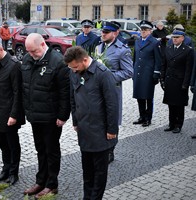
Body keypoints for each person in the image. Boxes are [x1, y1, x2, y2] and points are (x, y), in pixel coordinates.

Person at [64, 46, 119, 200]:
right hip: (84, 130)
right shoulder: (73, 72)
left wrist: (112, 130)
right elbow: (72, 98)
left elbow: (112, 105)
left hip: (100, 131)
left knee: (99, 172)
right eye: (71, 68)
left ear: (85, 60)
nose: (73, 70)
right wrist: (75, 121)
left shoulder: (103, 74)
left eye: (75, 67)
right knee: (87, 171)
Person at [20, 33, 70, 199]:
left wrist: (63, 116)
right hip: (35, 115)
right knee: (40, 149)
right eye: (29, 51)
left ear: (42, 44)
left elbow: (65, 93)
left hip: (51, 117)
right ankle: (40, 181)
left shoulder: (58, 62)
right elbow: (25, 87)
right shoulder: (27, 59)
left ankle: (51, 184)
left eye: (34, 51)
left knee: (51, 150)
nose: (31, 55)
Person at [0, 40, 25, 185]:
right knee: (3, 143)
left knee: (12, 144)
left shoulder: (14, 66)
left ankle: (14, 172)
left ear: (1, 49)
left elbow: (17, 92)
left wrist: (14, 115)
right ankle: (5, 169)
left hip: (9, 113)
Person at [95, 21, 133, 163]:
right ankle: (101, 146)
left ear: (115, 33)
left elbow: (129, 72)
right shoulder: (99, 46)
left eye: (106, 32)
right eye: (102, 32)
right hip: (97, 90)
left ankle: (111, 150)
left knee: (111, 119)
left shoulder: (122, 50)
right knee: (99, 118)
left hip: (112, 90)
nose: (103, 34)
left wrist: (108, 77)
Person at [160, 29, 194, 134]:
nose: (174, 39)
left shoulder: (188, 50)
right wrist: (162, 79)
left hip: (180, 81)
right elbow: (164, 65)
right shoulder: (168, 48)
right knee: (170, 103)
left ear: (182, 38)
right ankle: (171, 124)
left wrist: (186, 83)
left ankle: (179, 125)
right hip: (169, 80)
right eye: (173, 37)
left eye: (177, 37)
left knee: (179, 104)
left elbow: (189, 69)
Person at [132, 20, 162, 127]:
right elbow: (135, 57)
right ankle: (141, 116)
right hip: (138, 72)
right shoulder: (138, 41)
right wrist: (133, 71)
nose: (143, 32)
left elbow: (158, 60)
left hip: (148, 73)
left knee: (148, 97)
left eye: (145, 30)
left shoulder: (155, 42)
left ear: (150, 31)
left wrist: (156, 73)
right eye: (142, 30)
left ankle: (148, 118)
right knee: (139, 96)